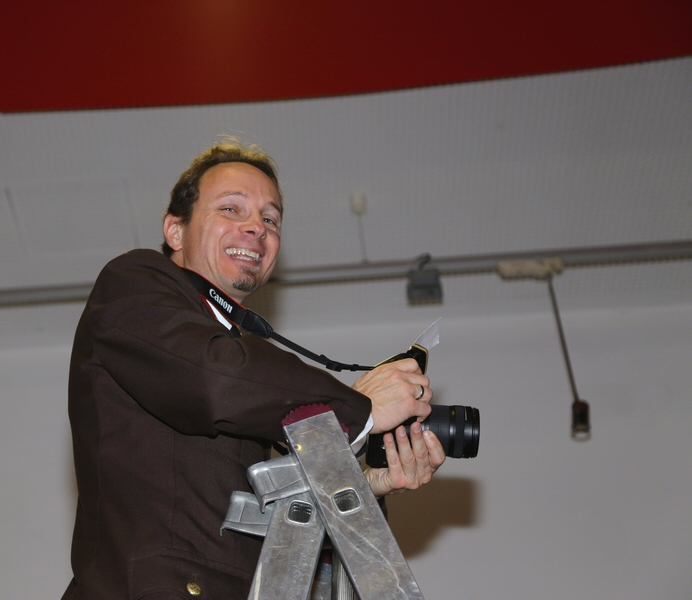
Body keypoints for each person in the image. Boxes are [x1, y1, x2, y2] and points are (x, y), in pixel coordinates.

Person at [62, 140, 446, 599]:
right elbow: (212, 380)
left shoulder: (254, 384)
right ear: (175, 231)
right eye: (231, 208)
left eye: (270, 219)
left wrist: (364, 485)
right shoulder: (135, 284)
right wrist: (360, 409)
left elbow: (290, 542)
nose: (256, 228)